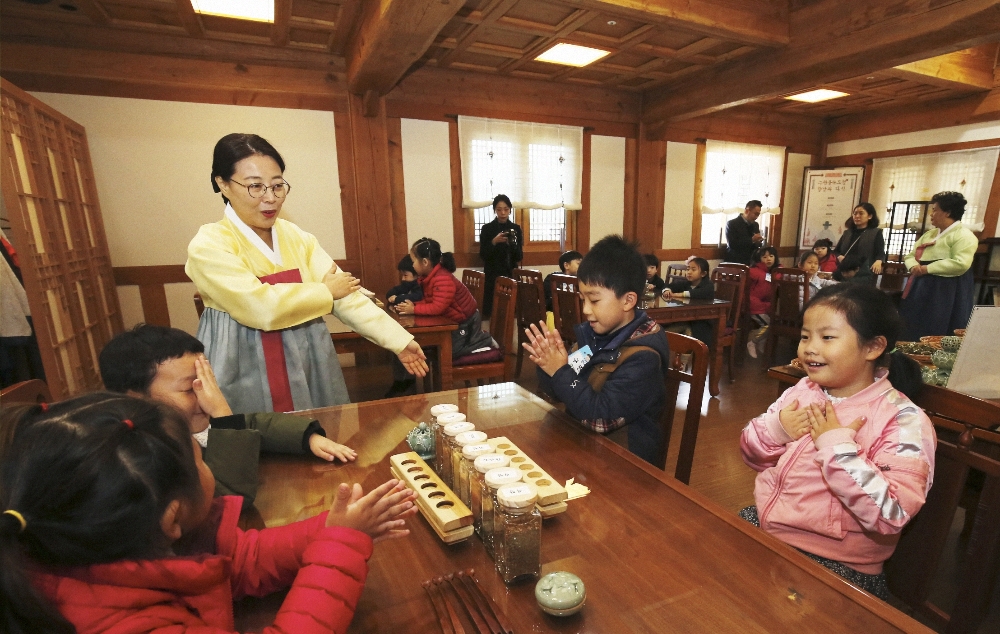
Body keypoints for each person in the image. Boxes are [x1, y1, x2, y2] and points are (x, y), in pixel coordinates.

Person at [0, 392, 417, 634]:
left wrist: (332, 530)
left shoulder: (97, 544)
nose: (208, 462)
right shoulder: (126, 624)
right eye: (200, 459)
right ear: (172, 518)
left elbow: (241, 558)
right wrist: (339, 547)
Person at [186, 134, 427, 414]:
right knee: (254, 440)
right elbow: (259, 306)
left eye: (277, 186)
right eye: (255, 187)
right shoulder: (209, 243)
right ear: (223, 184)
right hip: (244, 358)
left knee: (322, 433)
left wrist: (399, 341)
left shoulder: (296, 237)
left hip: (306, 352)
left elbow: (345, 294)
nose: (270, 198)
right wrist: (325, 291)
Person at [739, 284, 933, 600]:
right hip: (770, 527)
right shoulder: (802, 390)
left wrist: (836, 448)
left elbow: (893, 512)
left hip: (836, 561)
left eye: (827, 337)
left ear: (873, 347)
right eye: (805, 336)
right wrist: (776, 430)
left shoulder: (904, 420)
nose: (810, 348)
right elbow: (751, 456)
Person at [99, 324, 355, 505]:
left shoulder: (180, 425)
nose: (206, 397)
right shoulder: (140, 456)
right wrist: (222, 413)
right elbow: (228, 501)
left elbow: (253, 424)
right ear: (134, 397)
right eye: (191, 388)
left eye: (207, 383)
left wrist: (307, 438)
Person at [522, 235, 670, 466]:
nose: (585, 310)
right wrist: (548, 364)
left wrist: (560, 371)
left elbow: (599, 418)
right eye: (583, 299)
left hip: (625, 464)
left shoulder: (643, 357)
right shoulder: (596, 337)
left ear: (628, 300)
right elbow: (561, 389)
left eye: (594, 300)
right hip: (584, 446)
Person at [391, 237, 497, 397]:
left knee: (445, 354)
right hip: (453, 322)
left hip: (465, 324)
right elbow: (430, 300)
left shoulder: (443, 278)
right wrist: (412, 307)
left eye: (413, 261)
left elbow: (438, 306)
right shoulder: (430, 277)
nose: (412, 265)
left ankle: (482, 340)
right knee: (418, 345)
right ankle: (405, 385)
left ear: (425, 262)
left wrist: (414, 309)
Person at [899, 191, 979, 340]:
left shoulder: (964, 235)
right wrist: (913, 266)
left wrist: (928, 268)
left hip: (947, 287)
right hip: (921, 282)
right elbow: (910, 255)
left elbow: (961, 263)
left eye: (935, 210)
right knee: (914, 320)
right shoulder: (930, 234)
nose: (931, 214)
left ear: (947, 212)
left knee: (939, 324)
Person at [478, 194, 523, 317]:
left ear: (510, 210)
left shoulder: (515, 229)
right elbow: (483, 255)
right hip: (492, 274)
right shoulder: (487, 229)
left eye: (506, 209)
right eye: (499, 209)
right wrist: (494, 242)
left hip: (510, 272)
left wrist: (512, 244)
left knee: (510, 309)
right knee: (493, 310)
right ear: (494, 210)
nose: (503, 212)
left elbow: (519, 257)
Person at [661, 257, 715, 345]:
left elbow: (695, 293)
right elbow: (668, 286)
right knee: (665, 328)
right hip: (685, 318)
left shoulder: (708, 285)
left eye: (693, 270)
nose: (689, 272)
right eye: (688, 269)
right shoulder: (686, 283)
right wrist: (666, 290)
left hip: (701, 322)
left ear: (703, 273)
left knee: (677, 330)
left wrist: (675, 295)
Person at [834, 202, 885, 284]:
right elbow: (836, 251)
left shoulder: (875, 232)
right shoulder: (847, 233)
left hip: (863, 273)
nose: (857, 216)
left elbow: (880, 252)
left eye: (861, 213)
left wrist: (879, 261)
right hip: (845, 271)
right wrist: (839, 256)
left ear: (870, 216)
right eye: (855, 213)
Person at [746, 246, 779, 359]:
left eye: (771, 256)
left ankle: (760, 343)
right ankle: (753, 342)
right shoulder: (754, 272)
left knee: (772, 322)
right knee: (770, 324)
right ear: (758, 259)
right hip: (754, 305)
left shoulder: (773, 271)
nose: (768, 259)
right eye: (764, 257)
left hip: (764, 305)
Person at [725, 200, 764, 265]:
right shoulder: (732, 224)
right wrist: (752, 240)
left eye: (758, 215)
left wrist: (758, 242)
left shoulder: (755, 225)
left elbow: (756, 246)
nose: (756, 217)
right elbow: (732, 244)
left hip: (751, 261)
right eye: (755, 214)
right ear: (747, 211)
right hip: (734, 261)